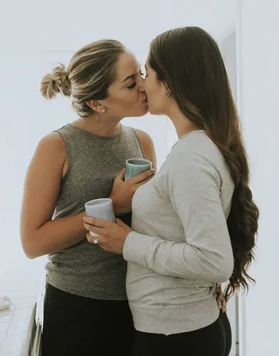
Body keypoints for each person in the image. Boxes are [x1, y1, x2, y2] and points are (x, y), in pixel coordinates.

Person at [83, 26, 259, 356]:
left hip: (175, 336)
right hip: (179, 328)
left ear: (171, 83)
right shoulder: (196, 148)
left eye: (146, 73)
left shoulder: (191, 158)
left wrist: (127, 243)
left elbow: (213, 260)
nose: (142, 84)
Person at [20, 39, 156, 356]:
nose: (143, 86)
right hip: (76, 309)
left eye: (140, 74)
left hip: (136, 304)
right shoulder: (56, 146)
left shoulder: (142, 142)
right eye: (130, 83)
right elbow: (32, 242)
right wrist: (113, 206)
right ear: (97, 103)